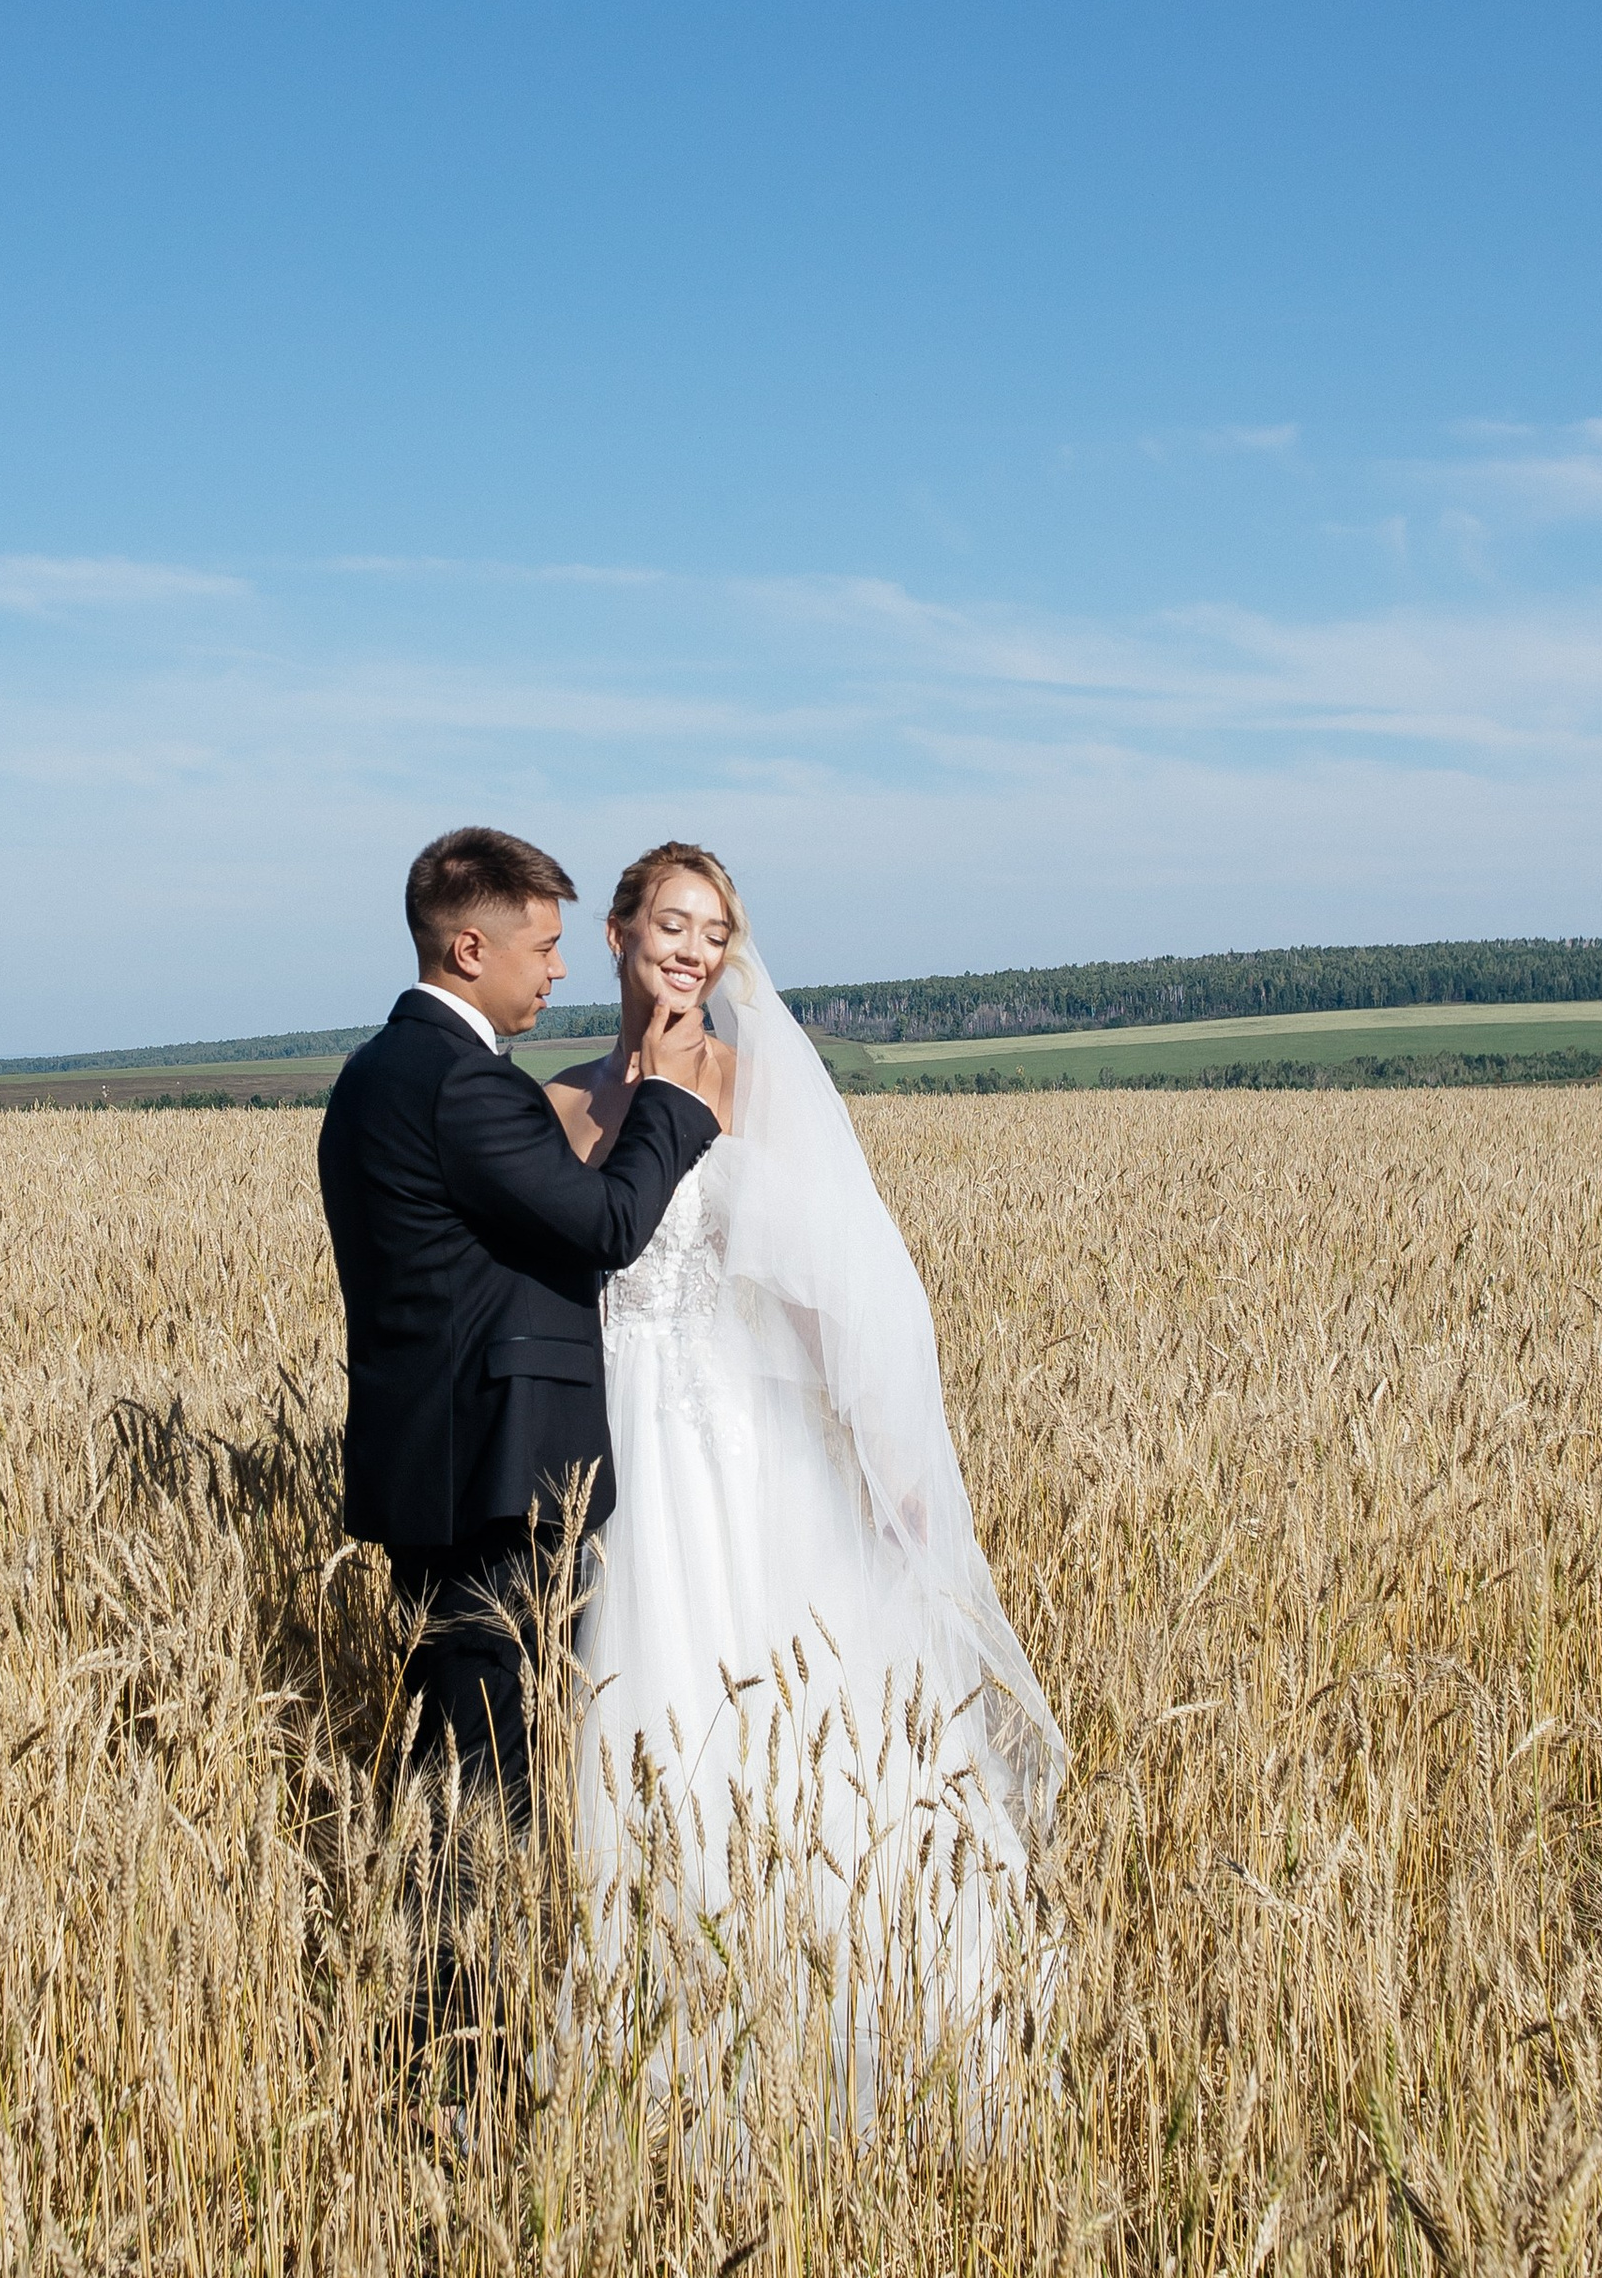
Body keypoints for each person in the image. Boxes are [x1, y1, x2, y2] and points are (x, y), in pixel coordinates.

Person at [544, 842, 1065, 2112]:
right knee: (637, 1723)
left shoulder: (745, 1087)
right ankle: (656, 2033)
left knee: (777, 1714)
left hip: (734, 1441)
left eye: (712, 933)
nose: (690, 950)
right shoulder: (555, 1103)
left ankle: (842, 2017)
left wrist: (890, 1469)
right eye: (669, 923)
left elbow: (838, 1293)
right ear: (615, 932)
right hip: (615, 1444)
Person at [317, 825, 719, 1838]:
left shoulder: (373, 1074)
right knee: (489, 1783)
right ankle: (449, 1999)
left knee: (459, 1762)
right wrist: (669, 1097)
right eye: (541, 948)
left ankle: (447, 1986)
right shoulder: (466, 1082)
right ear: (469, 951)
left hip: (435, 1470)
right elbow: (607, 1226)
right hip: (498, 1483)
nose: (558, 967)